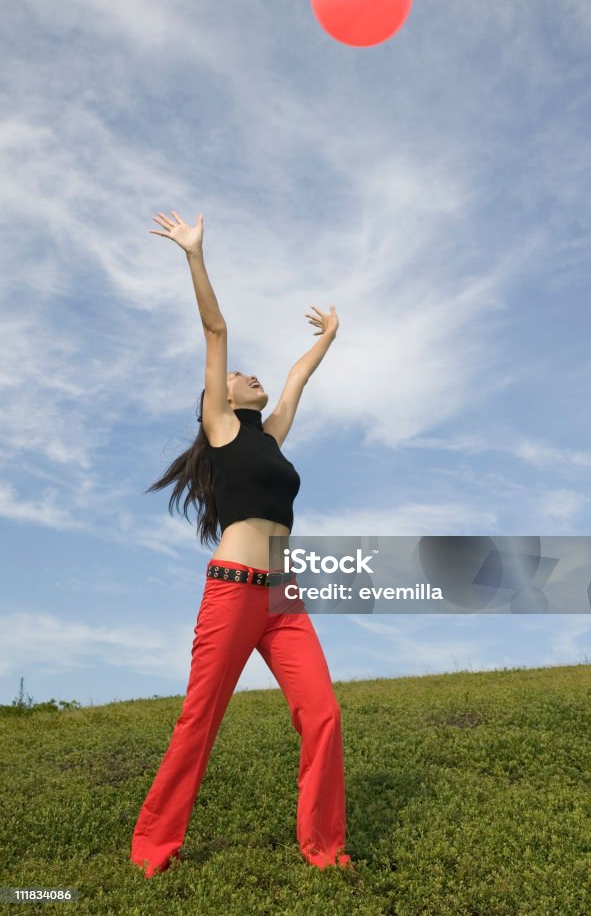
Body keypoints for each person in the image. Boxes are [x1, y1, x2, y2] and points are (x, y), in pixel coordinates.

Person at [129, 210, 352, 877]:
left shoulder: (268, 436)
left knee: (323, 716)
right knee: (199, 722)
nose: (245, 376)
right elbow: (215, 329)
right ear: (217, 399)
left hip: (282, 596)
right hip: (232, 590)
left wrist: (330, 338)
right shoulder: (222, 427)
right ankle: (152, 849)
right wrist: (194, 256)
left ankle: (323, 848)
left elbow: (296, 379)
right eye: (235, 376)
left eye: (247, 376)